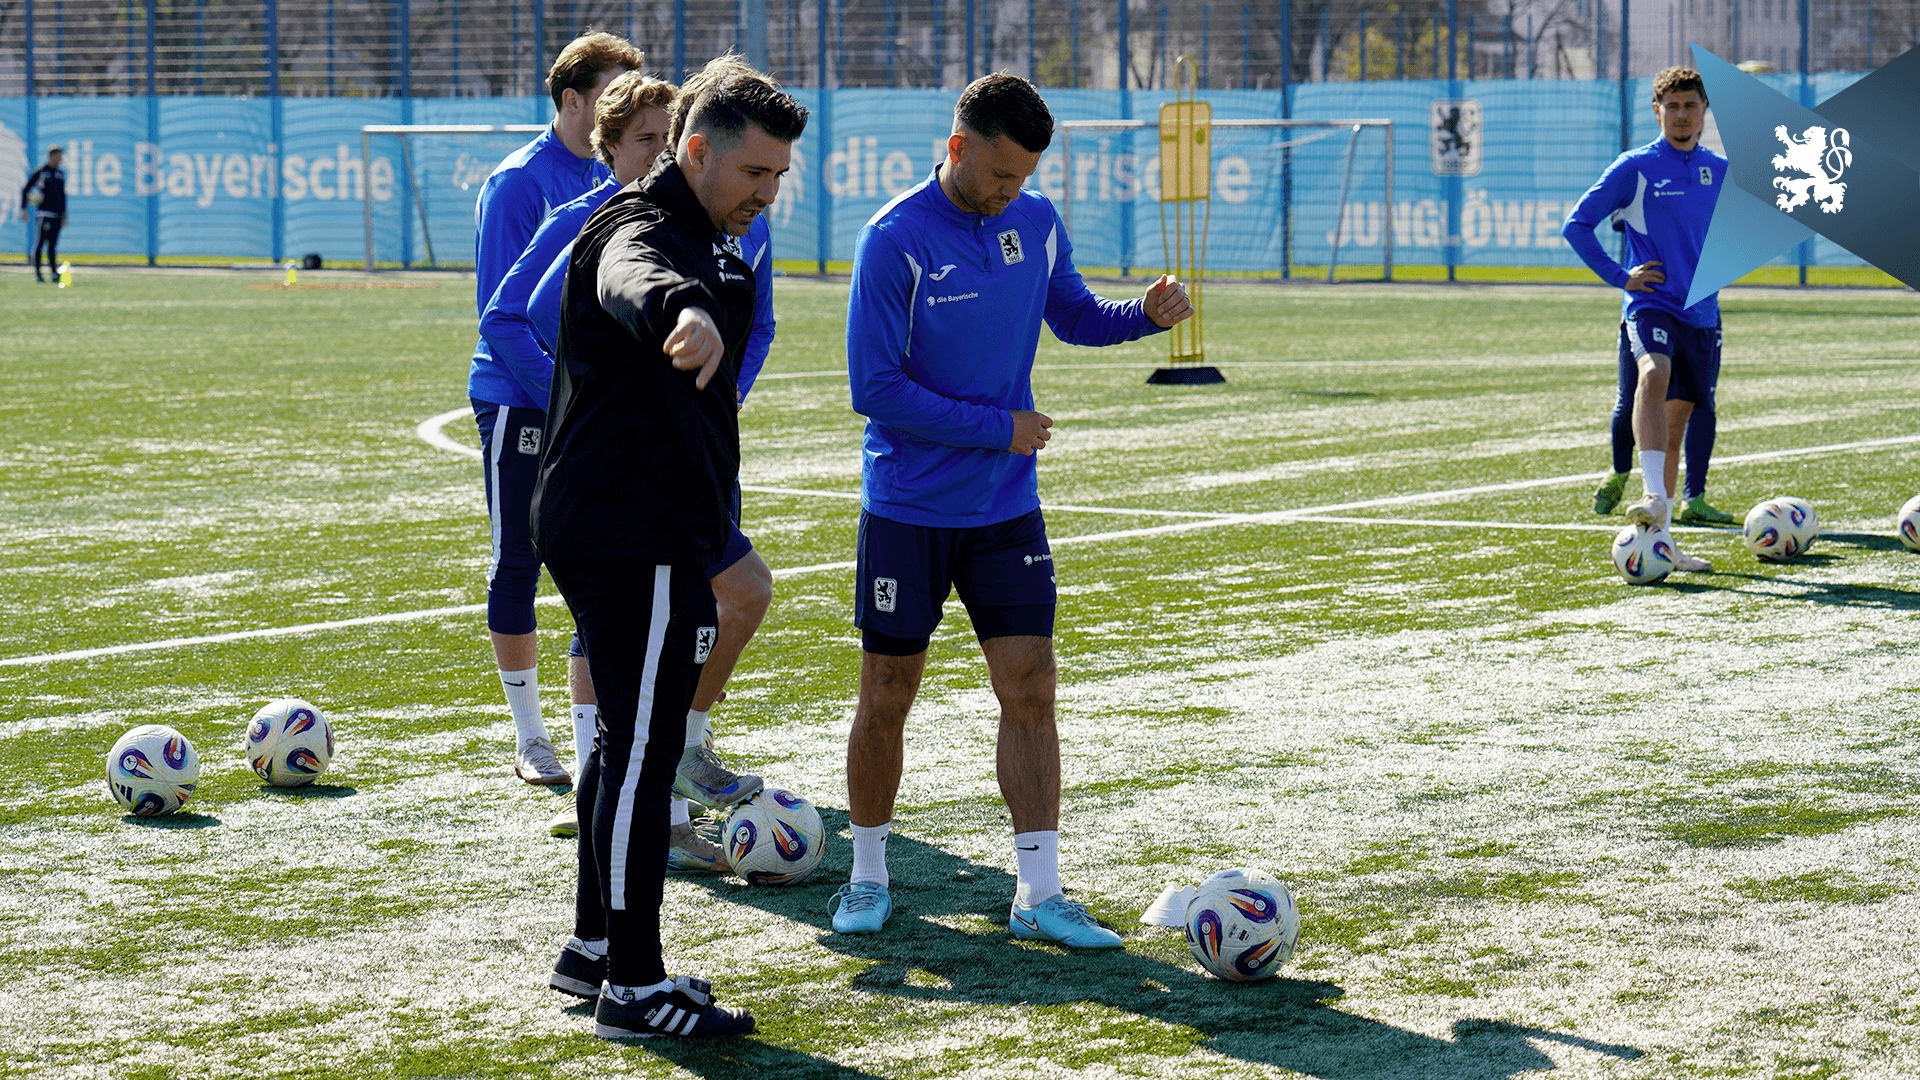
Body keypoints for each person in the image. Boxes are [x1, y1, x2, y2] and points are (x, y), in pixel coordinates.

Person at [830, 74, 1194, 947]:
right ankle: (868, 874)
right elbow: (873, 389)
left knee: (1030, 688)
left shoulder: (1033, 221)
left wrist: (1140, 316)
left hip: (1005, 512)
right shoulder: (894, 240)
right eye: (999, 173)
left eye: (1024, 176)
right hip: (910, 510)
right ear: (957, 148)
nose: (1011, 191)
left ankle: (1038, 891)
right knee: (888, 691)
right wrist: (1002, 429)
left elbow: (1072, 316)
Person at [532, 59, 807, 1039]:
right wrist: (679, 312)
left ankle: (596, 951)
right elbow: (632, 278)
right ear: (696, 152)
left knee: (624, 741)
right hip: (630, 529)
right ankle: (637, 987)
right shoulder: (641, 229)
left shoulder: (709, 234)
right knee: (645, 751)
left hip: (648, 524)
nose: (767, 193)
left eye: (779, 177)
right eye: (754, 174)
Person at [480, 68, 771, 861]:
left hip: (691, 461)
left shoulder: (738, 223)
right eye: (646, 139)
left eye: (776, 175)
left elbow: (758, 323)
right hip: (615, 479)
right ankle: (635, 831)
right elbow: (522, 315)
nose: (767, 191)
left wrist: (712, 397)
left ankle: (668, 768)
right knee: (623, 643)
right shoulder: (606, 221)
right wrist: (585, 398)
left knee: (718, 611)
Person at [467, 32, 640, 788]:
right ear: (573, 101)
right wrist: (570, 400)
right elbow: (501, 319)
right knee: (520, 558)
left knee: (602, 563)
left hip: (596, 408)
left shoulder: (631, 182)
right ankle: (531, 736)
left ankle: (598, 740)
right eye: (612, 96)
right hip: (522, 399)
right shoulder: (519, 184)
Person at [1564, 66, 1734, 565]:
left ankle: (1666, 539)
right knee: (1653, 372)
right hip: (1651, 303)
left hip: (1701, 312)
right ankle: (1653, 494)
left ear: (1705, 113)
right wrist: (1621, 277)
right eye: (1672, 107)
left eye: (1691, 107)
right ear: (1657, 112)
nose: (1682, 116)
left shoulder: (1720, 172)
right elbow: (1577, 226)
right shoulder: (1634, 167)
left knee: (1679, 420)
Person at [19, 146, 66, 284]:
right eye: (58, 156)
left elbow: (63, 196)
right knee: (40, 243)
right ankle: (38, 273)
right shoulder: (41, 172)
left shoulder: (60, 173)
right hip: (44, 213)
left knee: (53, 245)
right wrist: (24, 208)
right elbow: (26, 189)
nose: (60, 159)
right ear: (51, 156)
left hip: (57, 215)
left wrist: (64, 214)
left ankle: (53, 272)